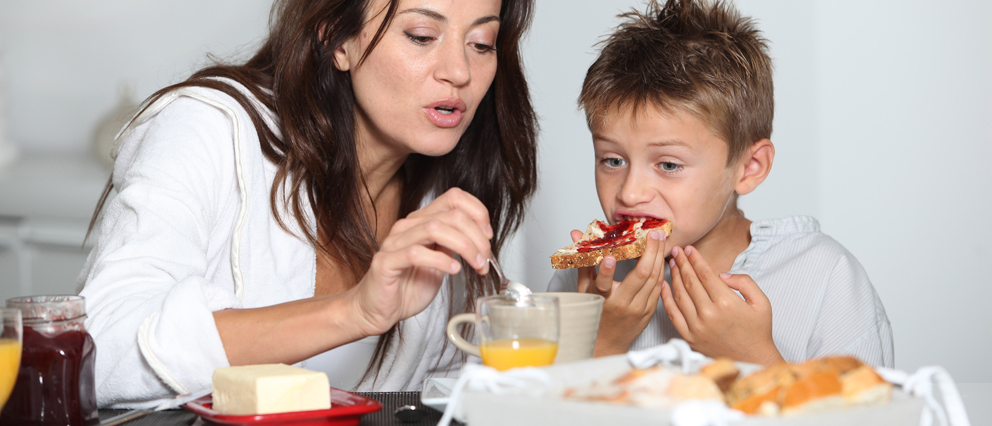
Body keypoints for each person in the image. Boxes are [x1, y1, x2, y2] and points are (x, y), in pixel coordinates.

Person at [78, 0, 537, 408]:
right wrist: (354, 311)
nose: (459, 70)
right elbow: (99, 351)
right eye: (421, 36)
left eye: (482, 42)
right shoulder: (210, 132)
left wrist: (604, 327)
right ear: (338, 38)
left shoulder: (448, 208)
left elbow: (474, 399)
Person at [548, 0, 893, 368]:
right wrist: (601, 343)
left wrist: (755, 358)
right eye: (612, 160)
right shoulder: (582, 283)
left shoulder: (825, 277)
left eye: (668, 164)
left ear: (749, 167)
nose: (630, 193)